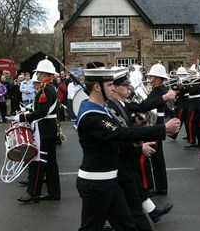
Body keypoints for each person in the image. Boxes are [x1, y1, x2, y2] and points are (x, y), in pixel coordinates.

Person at [74, 67, 179, 230]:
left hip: (109, 179)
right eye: (109, 85)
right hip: (96, 183)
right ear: (97, 87)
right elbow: (121, 133)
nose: (113, 88)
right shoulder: (91, 116)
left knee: (128, 225)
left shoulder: (98, 108)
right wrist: (162, 129)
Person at [107, 69, 175, 229]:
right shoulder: (111, 106)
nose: (129, 87)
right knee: (122, 196)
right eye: (125, 85)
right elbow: (120, 133)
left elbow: (137, 113)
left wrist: (137, 125)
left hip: (127, 155)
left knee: (132, 189)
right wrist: (140, 147)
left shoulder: (122, 104)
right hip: (119, 157)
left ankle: (152, 212)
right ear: (115, 88)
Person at [14, 57, 61, 203]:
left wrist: (22, 118)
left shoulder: (45, 89)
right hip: (49, 129)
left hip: (44, 129)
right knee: (51, 164)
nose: (38, 75)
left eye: (39, 72)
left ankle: (34, 193)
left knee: (39, 162)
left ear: (45, 74)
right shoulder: (50, 87)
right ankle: (54, 192)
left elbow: (42, 112)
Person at [139, 63, 171, 195]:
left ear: (158, 77)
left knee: (154, 155)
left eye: (152, 75)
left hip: (155, 122)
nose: (150, 77)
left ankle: (152, 186)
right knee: (157, 156)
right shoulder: (157, 88)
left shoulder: (158, 90)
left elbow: (146, 105)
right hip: (157, 121)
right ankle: (161, 186)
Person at [184, 64, 200, 149]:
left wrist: (189, 83)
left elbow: (193, 90)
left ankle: (192, 141)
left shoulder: (197, 81)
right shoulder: (193, 81)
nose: (190, 74)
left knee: (190, 122)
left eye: (191, 73)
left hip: (195, 103)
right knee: (197, 123)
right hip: (194, 102)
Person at [170, 66, 190, 140]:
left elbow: (182, 93)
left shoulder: (186, 82)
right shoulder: (180, 82)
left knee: (179, 120)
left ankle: (174, 135)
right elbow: (174, 89)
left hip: (183, 103)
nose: (179, 76)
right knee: (185, 121)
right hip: (182, 102)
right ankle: (189, 135)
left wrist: (179, 89)